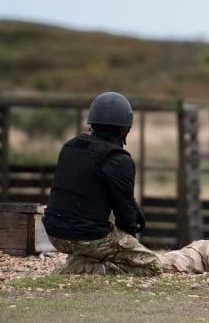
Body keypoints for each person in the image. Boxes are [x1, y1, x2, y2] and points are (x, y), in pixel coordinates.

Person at [43, 92, 162, 276]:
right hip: (86, 238)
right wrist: (130, 243)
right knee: (151, 265)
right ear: (126, 128)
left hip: (53, 232)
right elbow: (126, 215)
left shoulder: (70, 146)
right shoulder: (118, 159)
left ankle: (83, 258)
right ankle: (90, 267)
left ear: (92, 123)